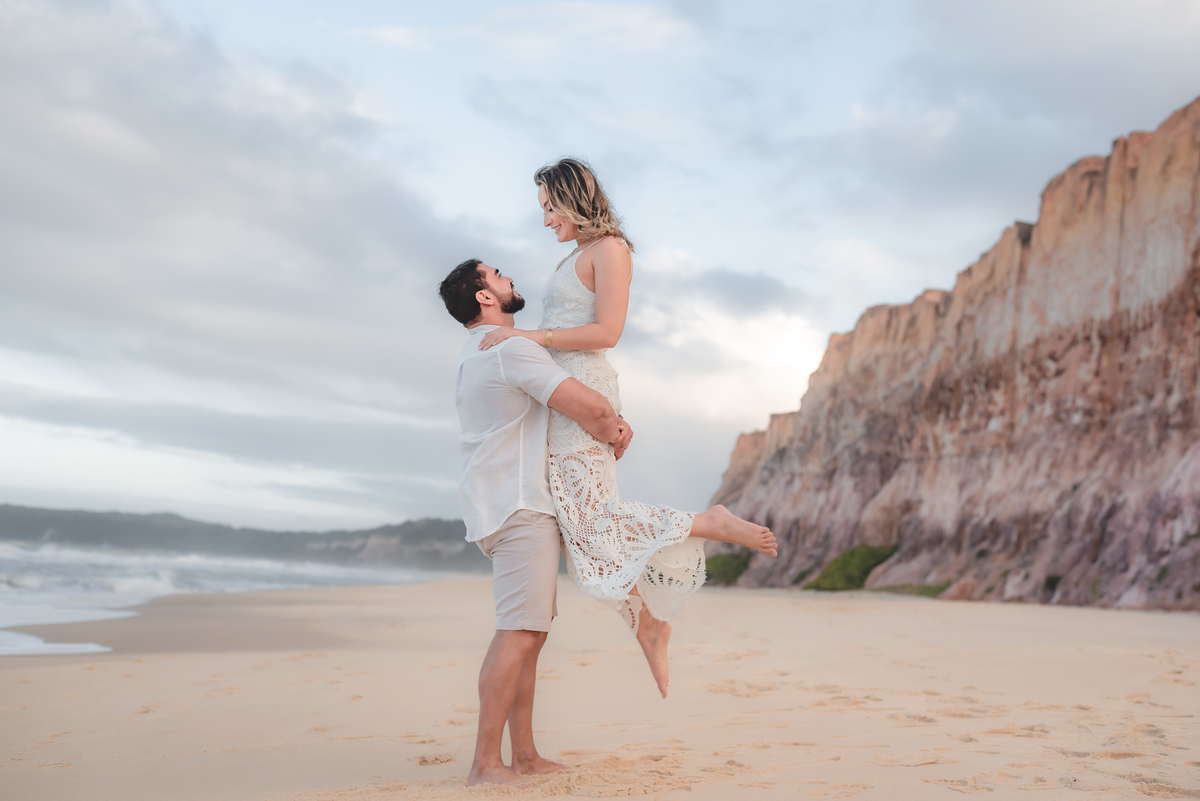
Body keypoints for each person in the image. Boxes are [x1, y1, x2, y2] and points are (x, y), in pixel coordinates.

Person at [476, 158, 778, 699]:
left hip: (582, 386)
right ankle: (647, 622)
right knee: (580, 527)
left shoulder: (611, 250)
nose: (545, 219)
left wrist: (529, 340)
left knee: (593, 520)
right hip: (563, 398)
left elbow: (607, 331)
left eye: (549, 207)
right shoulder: (576, 255)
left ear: (572, 198)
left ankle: (708, 526)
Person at [438, 257, 635, 787]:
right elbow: (582, 405)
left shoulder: (473, 354)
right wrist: (614, 428)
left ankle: (524, 755)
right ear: (483, 296)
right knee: (519, 633)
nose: (509, 278)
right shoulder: (510, 348)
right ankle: (485, 764)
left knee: (531, 633)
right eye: (497, 274)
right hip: (522, 505)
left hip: (498, 505)